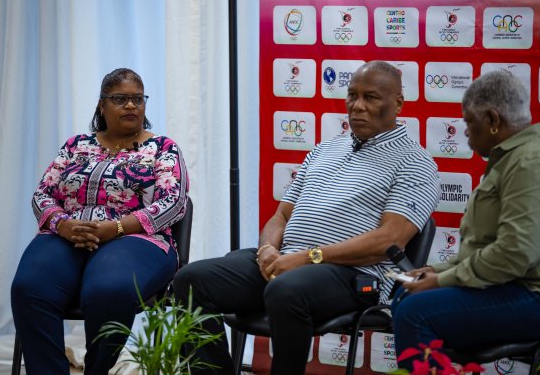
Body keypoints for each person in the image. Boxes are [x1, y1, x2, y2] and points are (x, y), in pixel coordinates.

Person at [173, 60, 441, 374]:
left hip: (351, 274)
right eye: (352, 95)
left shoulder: (415, 162)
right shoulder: (324, 150)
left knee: (287, 289)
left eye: (370, 97)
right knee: (190, 280)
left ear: (398, 103)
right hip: (287, 263)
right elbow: (280, 216)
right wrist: (267, 250)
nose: (357, 106)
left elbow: (388, 241)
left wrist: (308, 257)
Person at [392, 70, 540, 368]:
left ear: (493, 120)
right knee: (405, 297)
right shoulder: (514, 159)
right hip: (526, 287)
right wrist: (436, 270)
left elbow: (515, 254)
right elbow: (488, 247)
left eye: (470, 122)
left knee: (415, 312)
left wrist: (441, 280)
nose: (466, 133)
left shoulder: (532, 162)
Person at [11, 68, 189, 375]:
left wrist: (116, 228)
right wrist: (62, 224)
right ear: (102, 105)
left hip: (137, 240)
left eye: (138, 99)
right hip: (68, 235)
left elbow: (173, 203)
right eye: (120, 99)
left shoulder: (163, 149)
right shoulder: (75, 145)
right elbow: (42, 194)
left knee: (109, 290)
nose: (131, 105)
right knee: (30, 288)